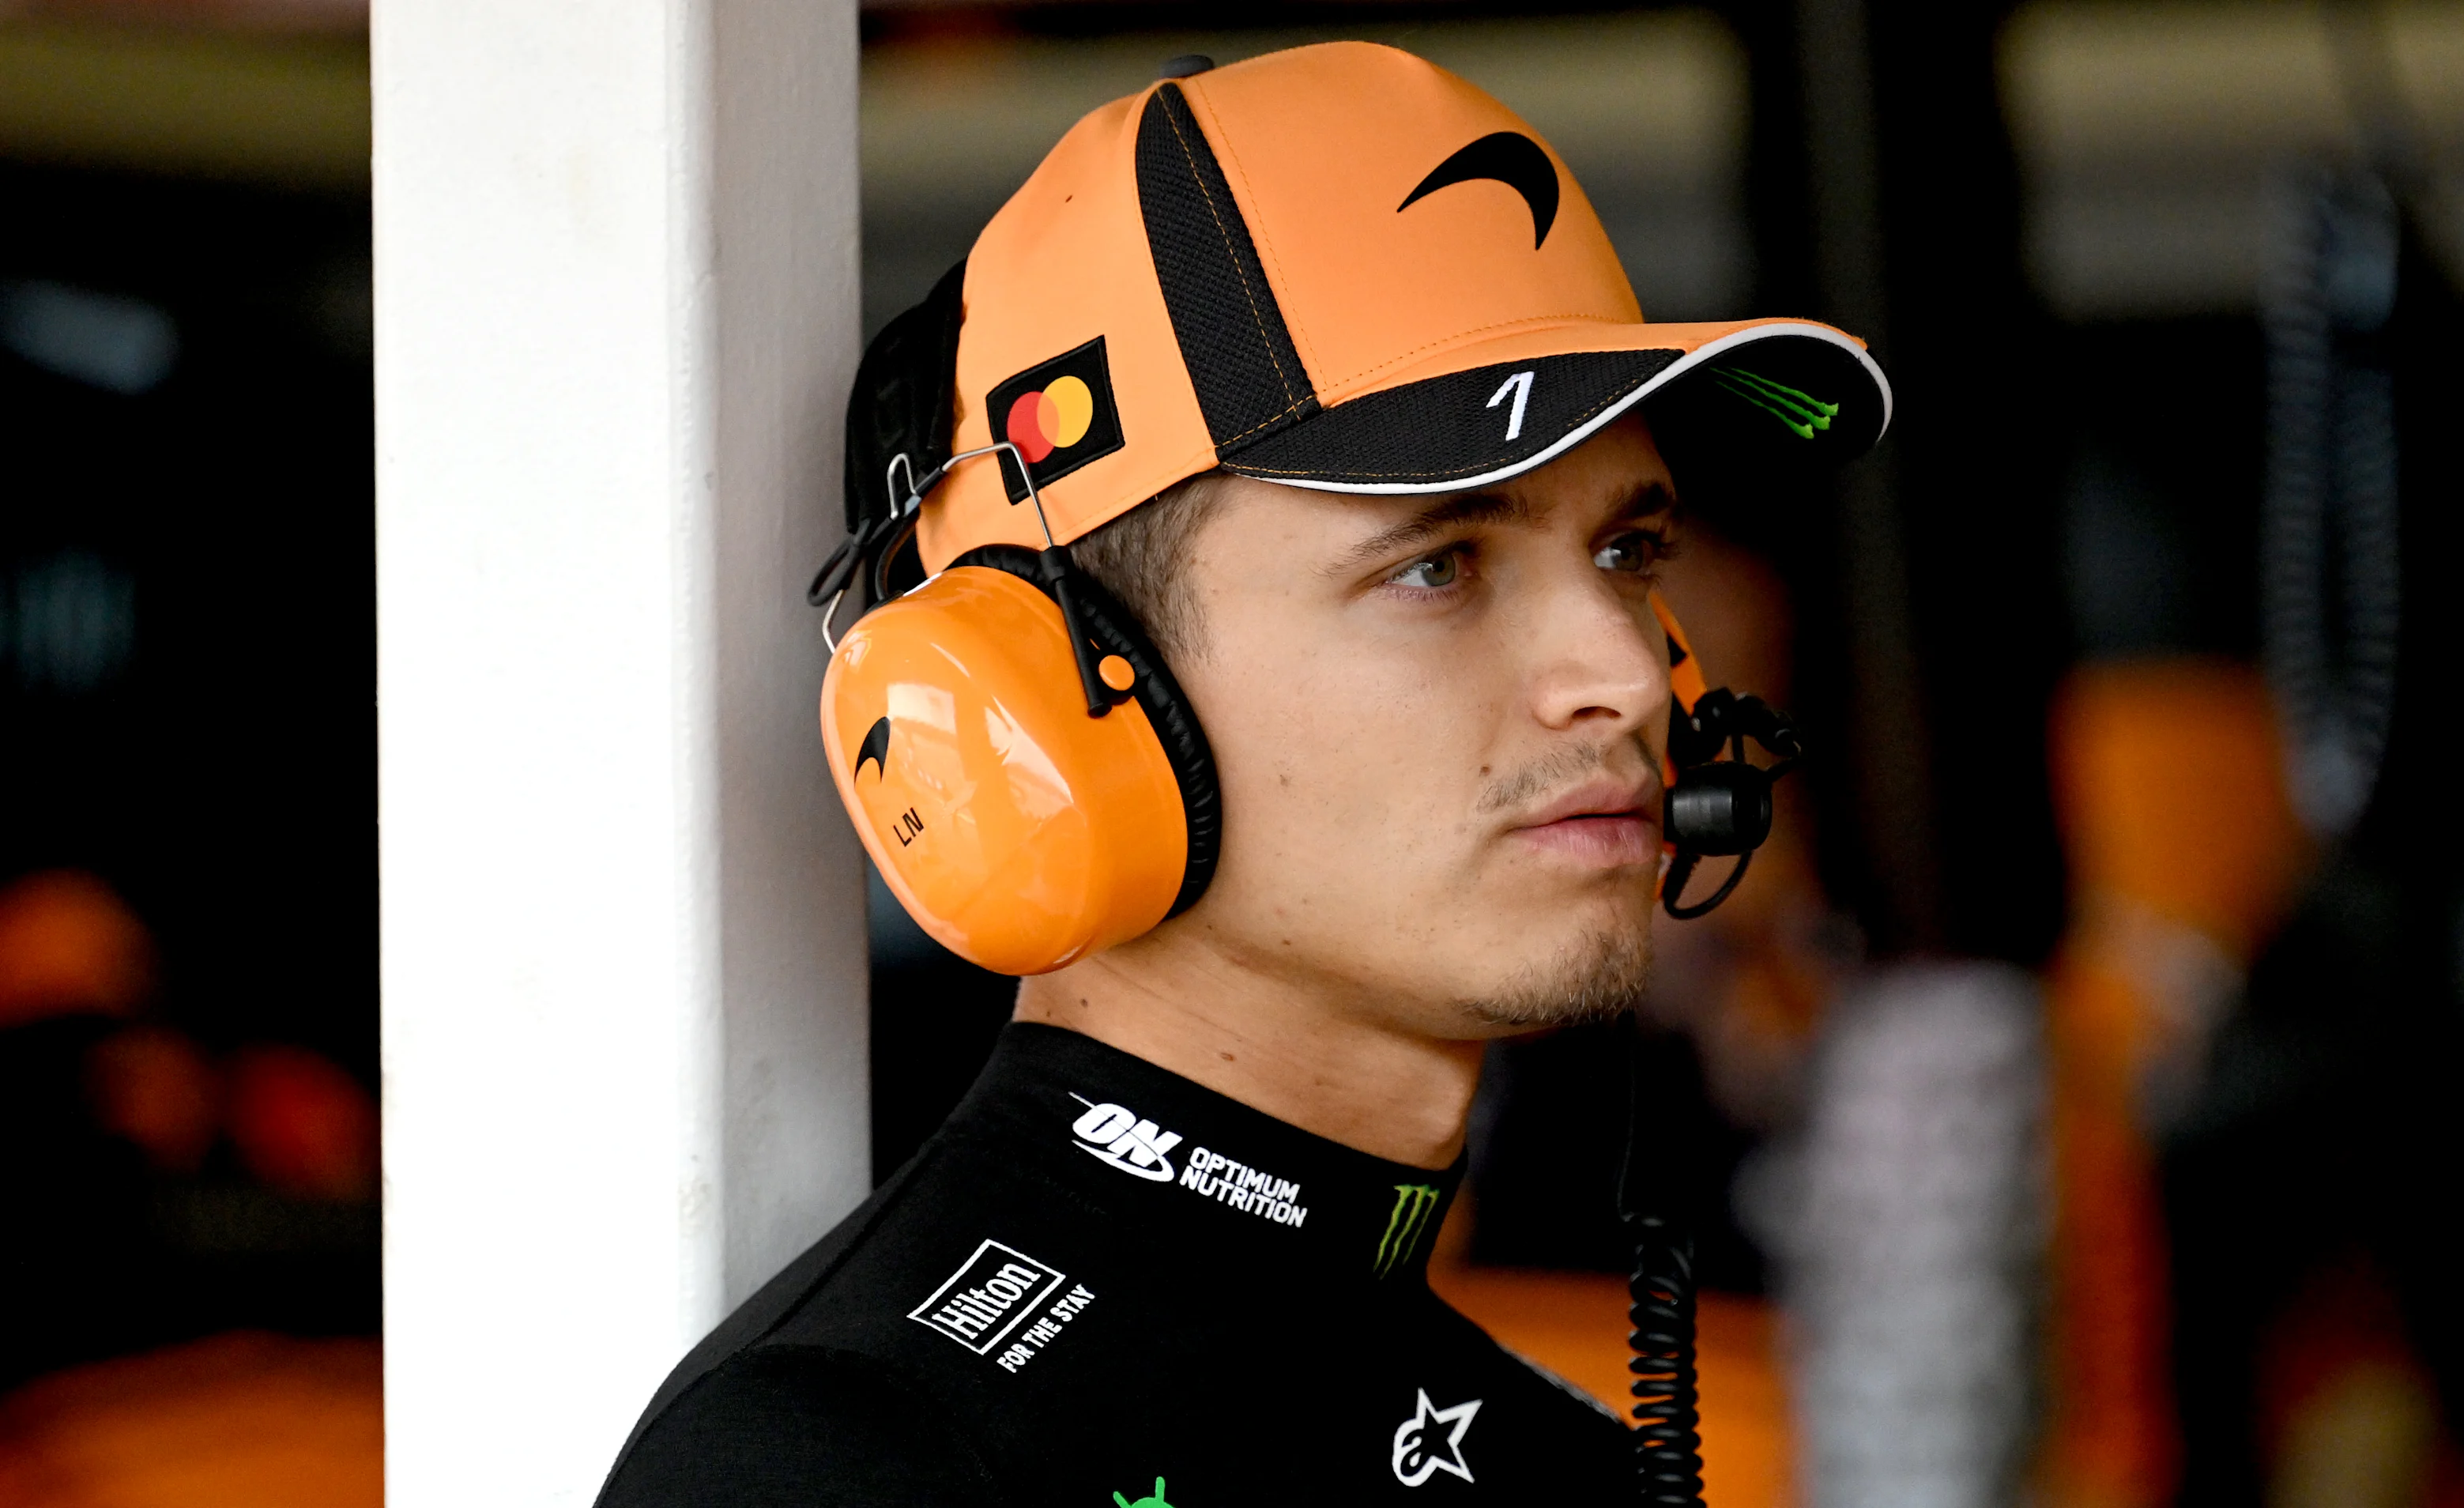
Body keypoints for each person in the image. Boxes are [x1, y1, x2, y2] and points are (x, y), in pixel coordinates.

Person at [596, 40, 1885, 1508]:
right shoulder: (853, 1462)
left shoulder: (1561, 1464)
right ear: (1062, 698)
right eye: (1438, 566)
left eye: (1627, 552)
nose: (1631, 673)